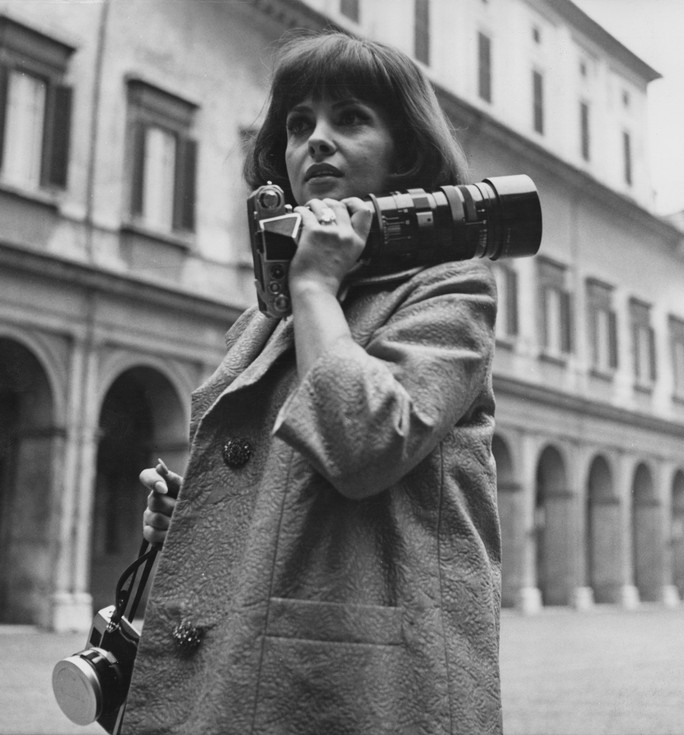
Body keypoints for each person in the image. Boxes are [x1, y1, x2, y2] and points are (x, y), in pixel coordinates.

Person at [123, 30, 502, 734]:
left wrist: (317, 287)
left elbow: (366, 444)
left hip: (365, 684)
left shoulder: (449, 292)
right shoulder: (265, 317)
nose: (316, 141)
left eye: (350, 119)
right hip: (245, 673)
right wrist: (195, 517)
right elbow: (280, 496)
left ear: (406, 155)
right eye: (300, 125)